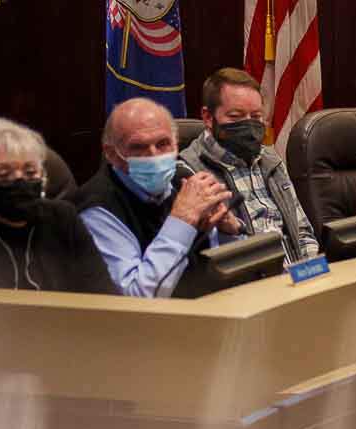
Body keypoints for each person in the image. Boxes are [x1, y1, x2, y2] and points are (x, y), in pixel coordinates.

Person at [0, 117, 116, 294]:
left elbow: (103, 294)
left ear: (43, 178)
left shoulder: (63, 220)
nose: (19, 180)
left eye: (30, 172)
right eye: (3, 174)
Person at [77, 98, 234, 298]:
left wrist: (228, 232)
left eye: (163, 144)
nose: (153, 155)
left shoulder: (183, 181)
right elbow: (139, 299)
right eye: (138, 147)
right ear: (111, 154)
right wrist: (182, 219)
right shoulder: (96, 209)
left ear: (176, 145)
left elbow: (223, 273)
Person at [178, 67, 320, 263]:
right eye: (236, 117)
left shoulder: (271, 160)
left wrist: (312, 271)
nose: (249, 126)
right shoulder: (190, 173)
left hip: (297, 278)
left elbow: (301, 231)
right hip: (250, 281)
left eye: (255, 117)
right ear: (208, 117)